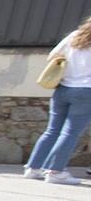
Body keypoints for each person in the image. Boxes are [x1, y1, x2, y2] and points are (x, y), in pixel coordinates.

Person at [27, 13, 91, 184]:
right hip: (86, 91)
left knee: (52, 130)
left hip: (62, 88)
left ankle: (33, 168)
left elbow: (53, 56)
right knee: (70, 133)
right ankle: (55, 171)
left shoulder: (74, 36)